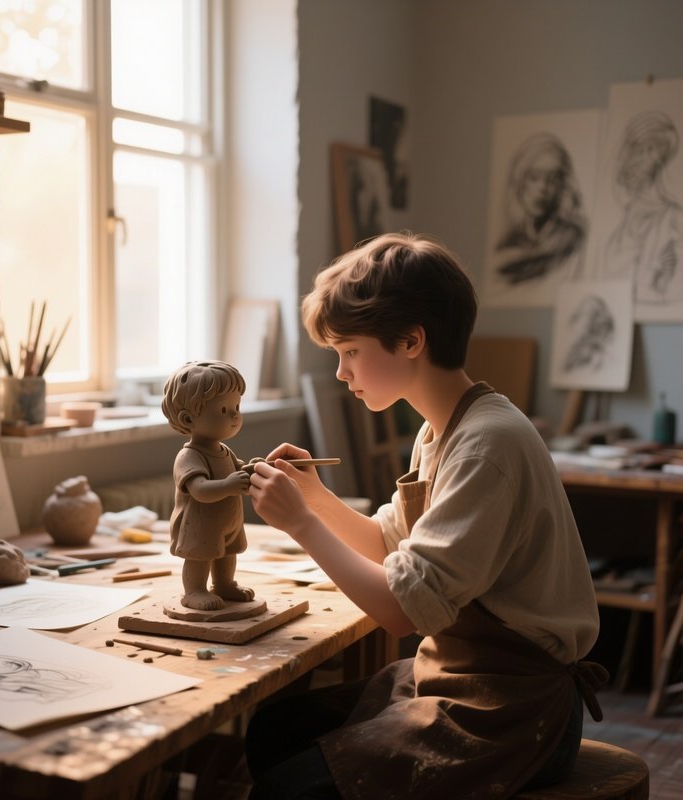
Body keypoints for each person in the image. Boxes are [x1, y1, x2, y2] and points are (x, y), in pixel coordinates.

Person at [247, 232, 606, 799]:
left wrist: (301, 524)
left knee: (289, 788)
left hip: (514, 705)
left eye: (350, 352)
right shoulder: (442, 430)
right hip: (461, 674)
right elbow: (389, 547)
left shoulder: (488, 444)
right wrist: (313, 496)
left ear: (411, 340)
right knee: (275, 727)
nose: (342, 373)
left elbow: (399, 610)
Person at [161, 360, 256, 611]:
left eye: (236, 406)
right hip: (200, 521)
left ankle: (224, 584)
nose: (235, 415)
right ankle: (194, 591)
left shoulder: (224, 450)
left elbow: (234, 475)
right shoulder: (189, 456)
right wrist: (230, 484)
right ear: (188, 418)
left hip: (228, 520)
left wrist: (249, 471)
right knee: (200, 556)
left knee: (228, 553)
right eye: (224, 410)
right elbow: (200, 489)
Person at [603, 110, 683, 304]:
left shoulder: (674, 219)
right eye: (635, 150)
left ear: (659, 157)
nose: (637, 159)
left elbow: (672, 293)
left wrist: (662, 278)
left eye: (649, 150)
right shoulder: (624, 218)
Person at [492, 132, 587, 286]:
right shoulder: (508, 241)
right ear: (520, 181)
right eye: (534, 177)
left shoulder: (572, 237)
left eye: (552, 179)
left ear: (562, 185)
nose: (543, 189)